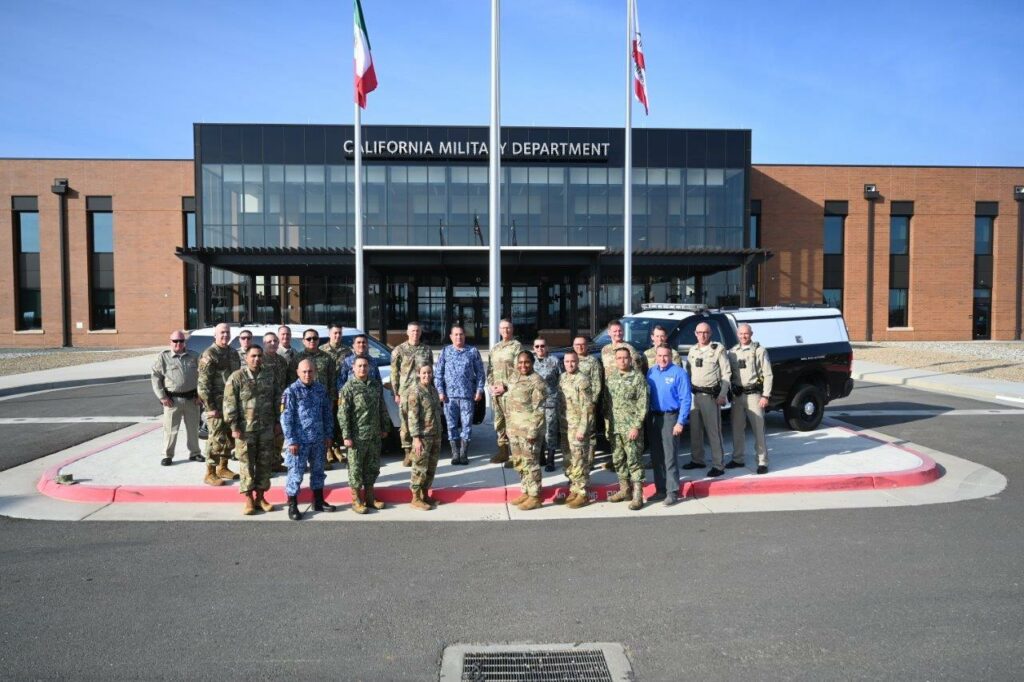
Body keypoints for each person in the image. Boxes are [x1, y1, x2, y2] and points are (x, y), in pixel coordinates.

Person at [224, 345, 282, 516]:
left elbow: (278, 398)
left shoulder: (269, 375)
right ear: (246, 358)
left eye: (259, 356)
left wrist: (278, 420)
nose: (257, 359)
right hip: (245, 430)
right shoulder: (237, 377)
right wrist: (233, 426)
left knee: (264, 463)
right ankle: (248, 498)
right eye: (253, 356)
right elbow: (229, 403)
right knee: (247, 464)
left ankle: (261, 497)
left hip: (266, 427)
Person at [280, 359, 336, 521]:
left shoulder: (320, 389)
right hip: (299, 442)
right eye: (304, 371)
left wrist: (328, 435)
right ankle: (292, 505)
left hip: (318, 440)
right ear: (298, 372)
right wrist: (291, 440)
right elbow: (285, 418)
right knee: (296, 473)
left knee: (318, 472)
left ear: (315, 372)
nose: (307, 374)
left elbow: (327, 414)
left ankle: (318, 501)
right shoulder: (291, 392)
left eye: (310, 371)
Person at [338, 357, 391, 514]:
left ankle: (370, 497)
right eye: (359, 366)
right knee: (355, 469)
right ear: (353, 368)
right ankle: (356, 500)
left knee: (372, 467)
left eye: (365, 366)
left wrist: (384, 426)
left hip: (374, 434)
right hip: (357, 437)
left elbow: (382, 406)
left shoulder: (375, 385)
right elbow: (343, 414)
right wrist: (346, 436)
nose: (362, 368)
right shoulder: (348, 388)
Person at [603, 347, 649, 510]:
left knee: (634, 461)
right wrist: (608, 426)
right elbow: (607, 405)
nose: (622, 361)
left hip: (631, 428)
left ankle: (638, 495)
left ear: (630, 359)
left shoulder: (638, 378)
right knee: (618, 460)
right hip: (615, 428)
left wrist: (636, 426)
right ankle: (624, 489)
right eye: (619, 358)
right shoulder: (611, 378)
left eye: (625, 358)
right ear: (615, 361)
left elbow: (642, 404)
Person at [646, 345, 692, 505]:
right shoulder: (651, 372)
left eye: (666, 356)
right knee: (656, 457)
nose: (662, 359)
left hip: (671, 417)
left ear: (671, 357)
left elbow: (686, 399)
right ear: (656, 356)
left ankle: (672, 491)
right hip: (654, 418)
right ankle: (660, 490)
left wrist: (680, 422)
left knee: (670, 456)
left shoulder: (679, 373)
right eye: (659, 356)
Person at [685, 322, 732, 477]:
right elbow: (688, 372)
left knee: (713, 431)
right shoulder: (692, 350)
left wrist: (722, 394)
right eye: (699, 332)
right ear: (695, 333)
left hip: (711, 397)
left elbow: (726, 374)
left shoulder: (718, 349)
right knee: (695, 430)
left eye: (705, 332)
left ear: (710, 333)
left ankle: (719, 464)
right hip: (695, 395)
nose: (702, 335)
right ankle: (697, 459)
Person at [434, 325, 485, 465]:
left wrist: (479, 390)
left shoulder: (473, 351)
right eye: (455, 334)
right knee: (451, 425)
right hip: (449, 398)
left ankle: (464, 454)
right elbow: (438, 374)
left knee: (466, 425)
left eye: (461, 334)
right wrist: (440, 391)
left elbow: (480, 373)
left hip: (467, 396)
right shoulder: (445, 352)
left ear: (464, 336)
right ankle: (455, 453)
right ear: (451, 336)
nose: (459, 337)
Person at [197, 322, 241, 486]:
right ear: (215, 335)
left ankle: (223, 467)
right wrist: (210, 408)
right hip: (215, 406)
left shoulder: (233, 353)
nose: (225, 335)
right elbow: (203, 385)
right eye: (222, 332)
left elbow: (237, 378)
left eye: (227, 332)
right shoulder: (210, 354)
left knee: (229, 437)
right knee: (215, 438)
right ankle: (210, 472)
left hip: (231, 405)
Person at [289, 329, 340, 468]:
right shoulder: (297, 359)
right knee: (303, 430)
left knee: (322, 429)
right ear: (303, 341)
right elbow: (291, 381)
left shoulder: (327, 358)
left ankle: (321, 459)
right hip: (302, 402)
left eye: (315, 338)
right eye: (309, 338)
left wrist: (331, 400)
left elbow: (332, 380)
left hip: (321, 400)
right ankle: (302, 461)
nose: (312, 341)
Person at [728, 323, 774, 475]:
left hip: (754, 395)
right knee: (737, 429)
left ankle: (762, 461)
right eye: (741, 334)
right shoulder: (733, 352)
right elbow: (729, 374)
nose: (743, 336)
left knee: (758, 430)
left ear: (751, 333)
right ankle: (738, 458)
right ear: (737, 335)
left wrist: (765, 395)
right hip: (738, 396)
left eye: (746, 333)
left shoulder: (759, 351)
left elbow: (768, 374)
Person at [151, 330, 202, 466]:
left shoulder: (194, 356)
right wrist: (162, 397)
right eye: (175, 341)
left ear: (184, 342)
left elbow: (202, 377)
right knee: (170, 430)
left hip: (192, 399)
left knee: (193, 428)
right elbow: (156, 377)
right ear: (170, 342)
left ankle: (195, 453)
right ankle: (167, 455)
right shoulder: (163, 357)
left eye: (181, 341)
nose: (178, 344)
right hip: (172, 401)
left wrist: (201, 395)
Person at [506, 351, 548, 511]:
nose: (523, 365)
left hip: (529, 431)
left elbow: (539, 410)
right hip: (514, 429)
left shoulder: (537, 382)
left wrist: (532, 432)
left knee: (531, 463)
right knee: (520, 463)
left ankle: (535, 495)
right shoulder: (514, 377)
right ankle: (526, 491)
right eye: (520, 362)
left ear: (532, 363)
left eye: (527, 362)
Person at [390, 321, 434, 468]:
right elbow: (394, 373)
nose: (415, 333)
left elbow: (430, 371)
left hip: (423, 392)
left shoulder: (426, 350)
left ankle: (420, 449)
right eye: (413, 331)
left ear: (421, 333)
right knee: (405, 424)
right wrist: (396, 393)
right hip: (406, 393)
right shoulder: (399, 350)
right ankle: (408, 452)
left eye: (418, 331)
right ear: (407, 332)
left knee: (422, 421)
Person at [557, 350, 595, 508]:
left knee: (579, 460)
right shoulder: (562, 378)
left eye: (573, 361)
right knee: (569, 460)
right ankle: (574, 488)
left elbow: (588, 408)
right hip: (565, 426)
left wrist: (582, 429)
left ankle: (582, 493)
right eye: (567, 362)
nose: (570, 364)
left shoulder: (582, 380)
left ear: (577, 362)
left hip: (578, 427)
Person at [406, 364, 444, 511]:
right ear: (418, 374)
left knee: (430, 467)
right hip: (422, 437)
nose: (426, 375)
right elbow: (412, 417)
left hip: (435, 435)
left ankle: (425, 495)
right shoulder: (416, 392)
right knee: (419, 467)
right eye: (424, 373)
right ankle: (415, 497)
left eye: (429, 373)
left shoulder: (433, 391)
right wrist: (416, 438)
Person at [486, 318, 523, 464]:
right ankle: (503, 452)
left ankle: (515, 456)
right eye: (502, 328)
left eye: (508, 328)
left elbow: (520, 369)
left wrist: (505, 386)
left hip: (510, 393)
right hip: (496, 393)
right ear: (499, 330)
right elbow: (490, 368)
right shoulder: (495, 348)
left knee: (512, 424)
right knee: (499, 423)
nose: (505, 331)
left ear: (512, 329)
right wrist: (491, 385)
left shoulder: (516, 347)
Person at [319, 322, 353, 467]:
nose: (337, 335)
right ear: (329, 334)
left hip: (341, 393)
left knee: (339, 421)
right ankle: (327, 449)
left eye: (339, 333)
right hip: (325, 393)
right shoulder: (322, 350)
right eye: (335, 333)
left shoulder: (347, 351)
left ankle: (337, 448)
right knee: (326, 421)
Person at [261, 331, 290, 474]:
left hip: (280, 403)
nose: (273, 344)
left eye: (275, 341)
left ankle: (276, 461)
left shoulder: (282, 361)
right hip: (264, 404)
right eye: (269, 341)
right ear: (264, 343)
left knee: (279, 434)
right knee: (266, 437)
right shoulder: (259, 360)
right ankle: (264, 467)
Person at [532, 337, 562, 472]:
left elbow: (561, 380)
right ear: (533, 348)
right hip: (535, 403)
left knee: (550, 432)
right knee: (538, 431)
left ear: (547, 347)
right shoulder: (530, 361)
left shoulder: (554, 361)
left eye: (542, 346)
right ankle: (541, 458)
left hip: (551, 401)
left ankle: (550, 460)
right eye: (537, 346)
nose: (540, 349)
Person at [573, 336, 602, 456]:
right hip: (573, 403)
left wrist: (593, 401)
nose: (580, 347)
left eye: (582, 344)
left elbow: (597, 383)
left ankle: (589, 459)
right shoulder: (571, 359)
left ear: (587, 346)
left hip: (587, 402)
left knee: (590, 431)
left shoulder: (592, 361)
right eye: (577, 344)